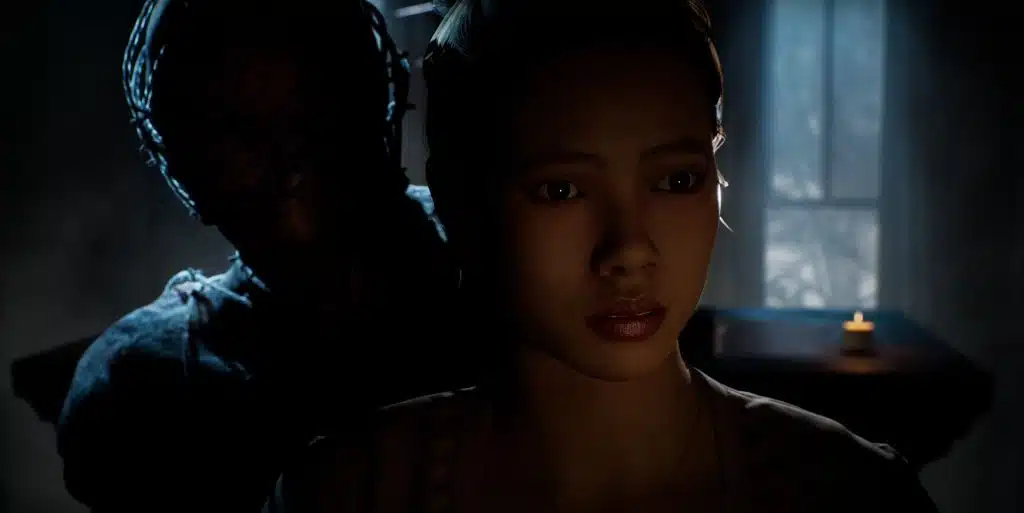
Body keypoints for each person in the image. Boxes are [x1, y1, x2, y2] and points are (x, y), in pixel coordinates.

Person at [266, 1, 940, 512]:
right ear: (458, 199)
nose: (629, 250)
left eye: (676, 179)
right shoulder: (350, 492)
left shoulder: (847, 491)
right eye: (561, 190)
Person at [56, 1, 463, 512]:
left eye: (315, 108)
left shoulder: (504, 263)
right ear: (186, 162)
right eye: (237, 132)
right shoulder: (144, 381)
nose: (288, 160)